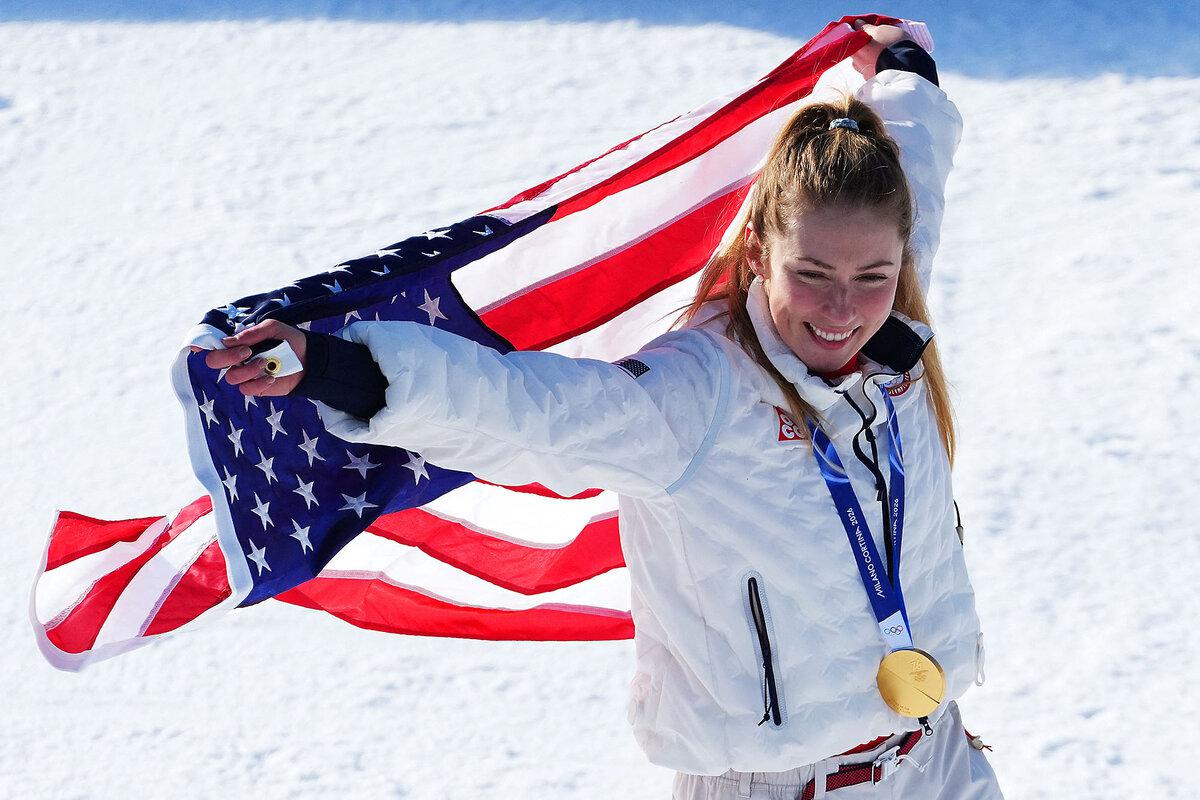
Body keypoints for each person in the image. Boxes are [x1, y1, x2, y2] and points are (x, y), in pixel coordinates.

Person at [201, 21, 1003, 799]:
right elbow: (526, 413)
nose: (843, 307)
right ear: (759, 249)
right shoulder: (699, 395)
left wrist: (905, 74)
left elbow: (917, 170)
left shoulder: (897, 315)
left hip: (937, 760)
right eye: (813, 272)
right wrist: (332, 370)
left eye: (873, 275)